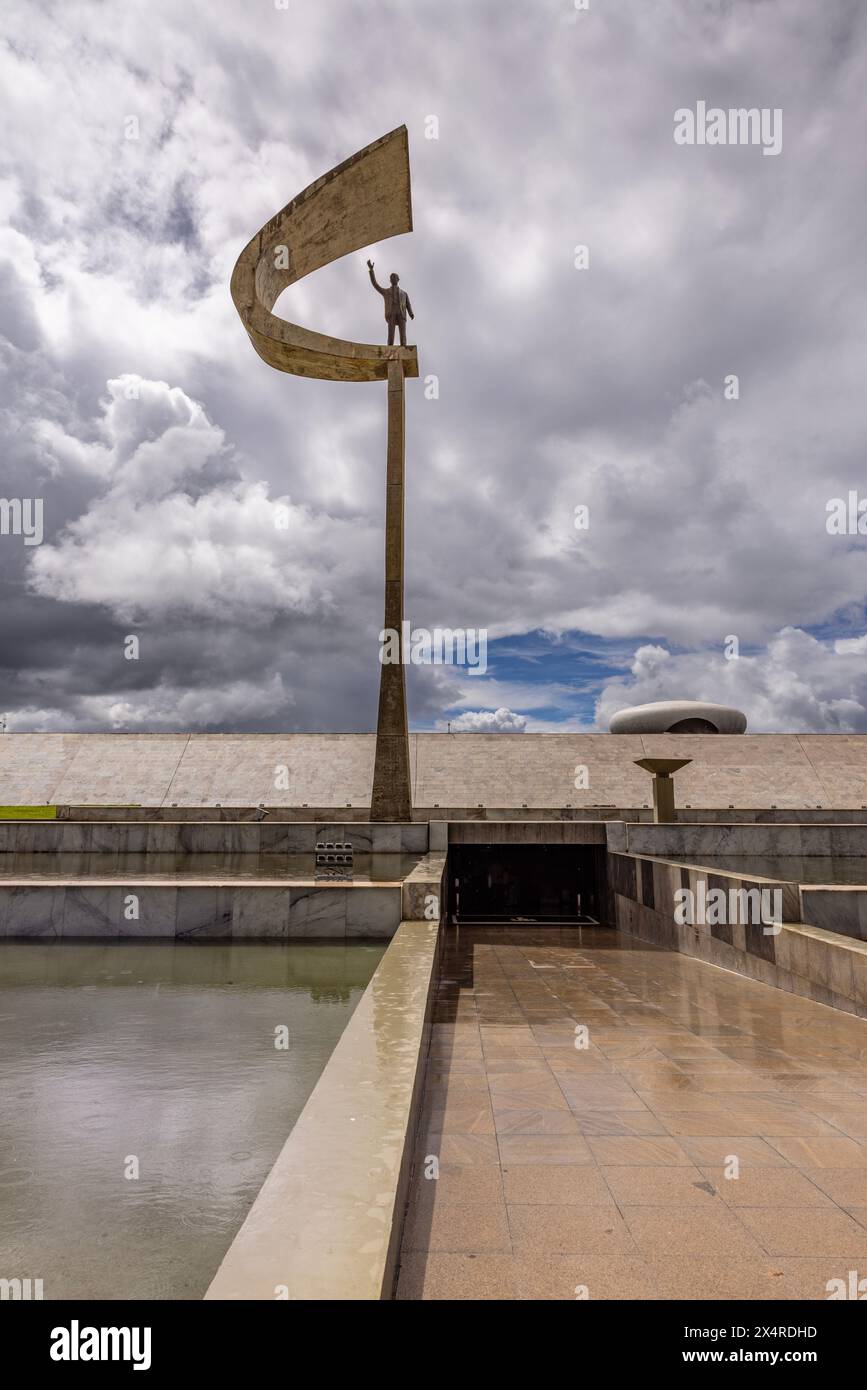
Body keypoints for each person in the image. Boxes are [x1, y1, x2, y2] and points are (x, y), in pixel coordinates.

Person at [367, 259, 414, 347]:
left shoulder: (404, 293)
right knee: (391, 333)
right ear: (390, 280)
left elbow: (408, 304)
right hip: (391, 313)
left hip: (401, 314)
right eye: (391, 278)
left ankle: (403, 347)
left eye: (394, 277)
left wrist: (411, 313)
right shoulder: (386, 292)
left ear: (398, 279)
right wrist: (371, 270)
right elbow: (375, 284)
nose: (392, 279)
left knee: (403, 333)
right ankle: (389, 347)